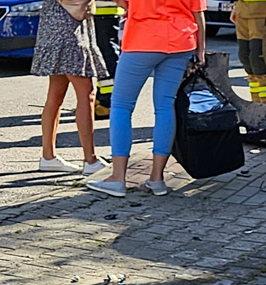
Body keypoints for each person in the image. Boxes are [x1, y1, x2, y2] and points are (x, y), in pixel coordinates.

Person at [86, 0, 206, 197]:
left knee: (121, 106)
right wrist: (201, 49)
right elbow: (198, 12)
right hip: (181, 40)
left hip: (143, 38)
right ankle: (157, 179)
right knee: (165, 105)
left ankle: (117, 177)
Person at [31, 0, 109, 176]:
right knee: (86, 94)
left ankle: (48, 156)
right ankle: (90, 160)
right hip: (69, 28)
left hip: (54, 25)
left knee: (55, 95)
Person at [231, 0, 266, 104]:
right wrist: (236, 6)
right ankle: (257, 105)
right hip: (242, 10)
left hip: (264, 11)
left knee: (261, 58)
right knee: (246, 58)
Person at [92, 0, 125, 119]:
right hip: (105, 11)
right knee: (103, 56)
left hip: (103, 11)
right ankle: (102, 96)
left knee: (106, 56)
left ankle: (107, 102)